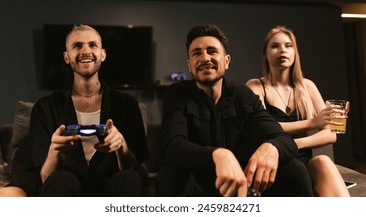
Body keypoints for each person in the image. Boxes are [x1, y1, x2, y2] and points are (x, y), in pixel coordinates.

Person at [157, 24, 313, 197]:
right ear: (189, 64)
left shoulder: (243, 95)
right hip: (197, 188)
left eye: (212, 51)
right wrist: (218, 155)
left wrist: (271, 148)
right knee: (170, 175)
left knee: (293, 168)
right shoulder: (178, 93)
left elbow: (282, 138)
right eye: (197, 53)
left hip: (243, 186)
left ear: (226, 61)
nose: (205, 58)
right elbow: (173, 147)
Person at [28, 24, 149, 196]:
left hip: (113, 189)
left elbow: (136, 172)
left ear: (103, 54)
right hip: (66, 189)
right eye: (77, 46)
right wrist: (55, 152)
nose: (86, 51)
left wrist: (122, 146)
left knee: (129, 178)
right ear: (66, 57)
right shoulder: (45, 108)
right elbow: (44, 179)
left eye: (93, 45)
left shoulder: (126, 105)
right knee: (60, 179)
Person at [246, 25, 350, 197]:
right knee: (296, 170)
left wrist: (294, 145)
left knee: (323, 161)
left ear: (295, 52)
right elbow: (263, 128)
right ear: (265, 54)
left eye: (288, 46)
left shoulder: (307, 86)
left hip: (301, 158)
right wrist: (312, 123)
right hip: (273, 161)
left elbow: (331, 134)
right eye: (275, 46)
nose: (283, 51)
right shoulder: (256, 86)